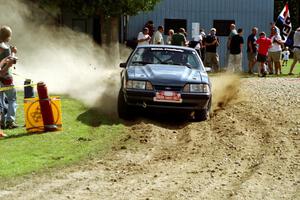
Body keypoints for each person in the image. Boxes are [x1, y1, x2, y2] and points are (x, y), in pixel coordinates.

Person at [0, 25, 18, 129]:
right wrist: (14, 52)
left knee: (1, 100)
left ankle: (1, 122)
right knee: (12, 99)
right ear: (8, 37)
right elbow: (12, 61)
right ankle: (10, 121)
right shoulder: (6, 49)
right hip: (6, 78)